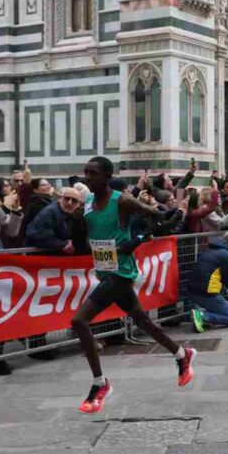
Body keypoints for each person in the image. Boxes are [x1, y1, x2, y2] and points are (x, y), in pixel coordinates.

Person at [72, 157, 196, 414]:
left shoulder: (123, 201)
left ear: (107, 176)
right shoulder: (87, 203)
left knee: (79, 321)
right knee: (143, 321)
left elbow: (159, 218)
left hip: (121, 272)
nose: (88, 177)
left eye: (93, 173)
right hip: (105, 272)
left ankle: (100, 384)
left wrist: (137, 239)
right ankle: (181, 355)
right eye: (86, 173)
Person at [189, 232, 228, 331]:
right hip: (207, 292)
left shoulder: (210, 250)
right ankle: (202, 316)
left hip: (194, 291)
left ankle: (205, 318)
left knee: (221, 291)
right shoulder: (227, 256)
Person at [25, 187, 89, 254]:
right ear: (60, 198)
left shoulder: (73, 214)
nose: (69, 202)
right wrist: (63, 244)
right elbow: (39, 236)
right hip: (42, 254)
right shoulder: (49, 212)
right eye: (67, 198)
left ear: (78, 204)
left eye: (74, 200)